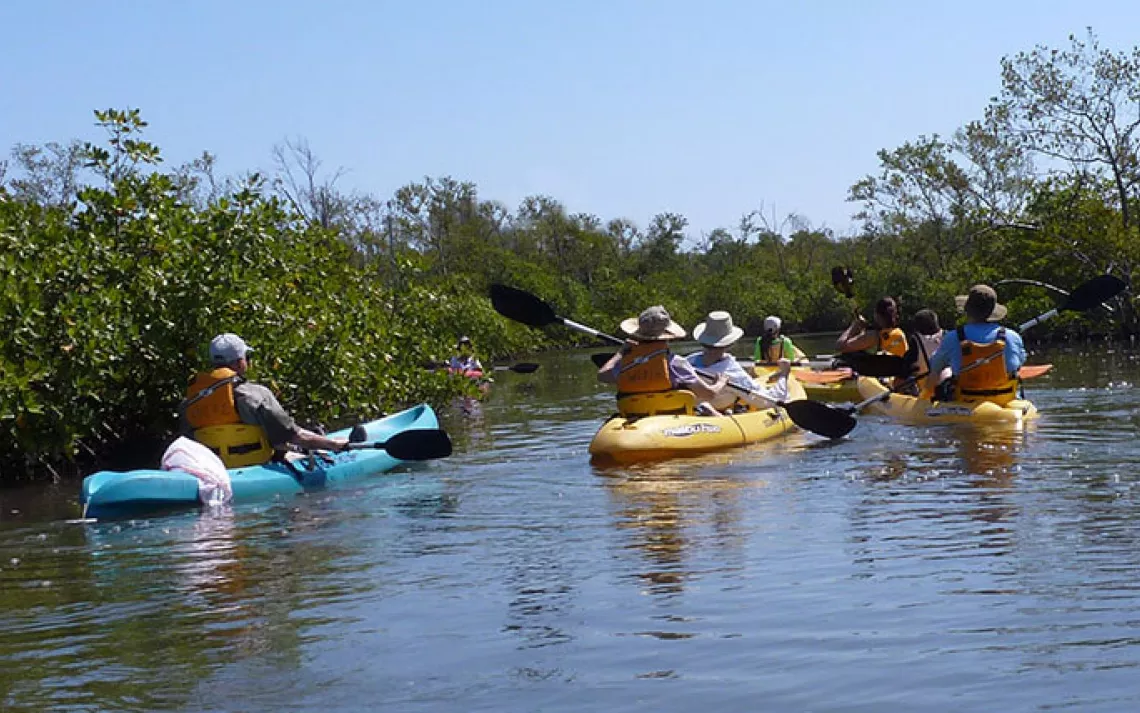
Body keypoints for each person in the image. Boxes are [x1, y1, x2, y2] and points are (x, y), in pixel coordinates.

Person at [178, 333, 348, 468]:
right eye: (247, 357)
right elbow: (294, 435)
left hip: (217, 469)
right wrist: (333, 444)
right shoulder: (256, 394)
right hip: (257, 465)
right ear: (239, 364)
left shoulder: (190, 402)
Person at [597, 305, 730, 410]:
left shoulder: (626, 362)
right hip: (669, 418)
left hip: (635, 414)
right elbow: (709, 394)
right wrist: (720, 383)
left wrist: (621, 353)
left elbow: (602, 375)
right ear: (667, 335)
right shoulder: (677, 363)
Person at [926, 285, 1026, 404]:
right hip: (1004, 400)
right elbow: (1019, 363)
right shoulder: (1013, 336)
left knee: (941, 376)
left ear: (967, 310)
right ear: (992, 311)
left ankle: (924, 400)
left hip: (965, 400)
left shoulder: (953, 337)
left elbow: (935, 367)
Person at [689, 311, 789, 413]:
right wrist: (784, 374)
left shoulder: (686, 362)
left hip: (693, 409)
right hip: (718, 411)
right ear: (731, 344)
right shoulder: (733, 372)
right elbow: (769, 400)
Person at [836, 296, 907, 357]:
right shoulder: (900, 333)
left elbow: (840, 346)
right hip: (899, 370)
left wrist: (855, 324)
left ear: (877, 315)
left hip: (883, 371)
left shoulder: (874, 336)